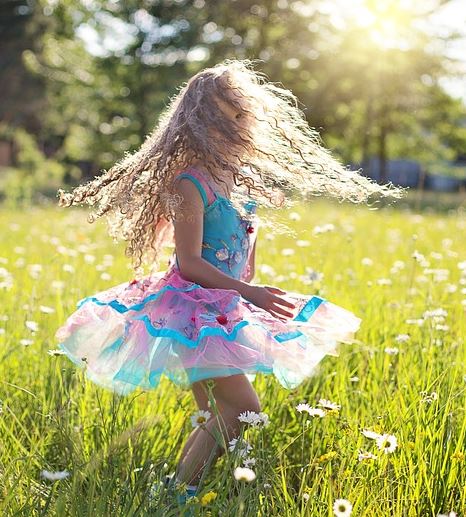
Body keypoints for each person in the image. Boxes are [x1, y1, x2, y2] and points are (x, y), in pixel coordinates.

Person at [54, 59, 405, 506]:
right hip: (192, 312)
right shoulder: (188, 184)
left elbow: (243, 255)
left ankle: (178, 494)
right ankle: (181, 492)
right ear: (200, 123)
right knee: (245, 410)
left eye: (242, 115)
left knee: (212, 415)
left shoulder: (241, 183)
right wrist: (248, 291)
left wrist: (248, 287)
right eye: (225, 117)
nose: (237, 126)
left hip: (225, 308)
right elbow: (189, 262)